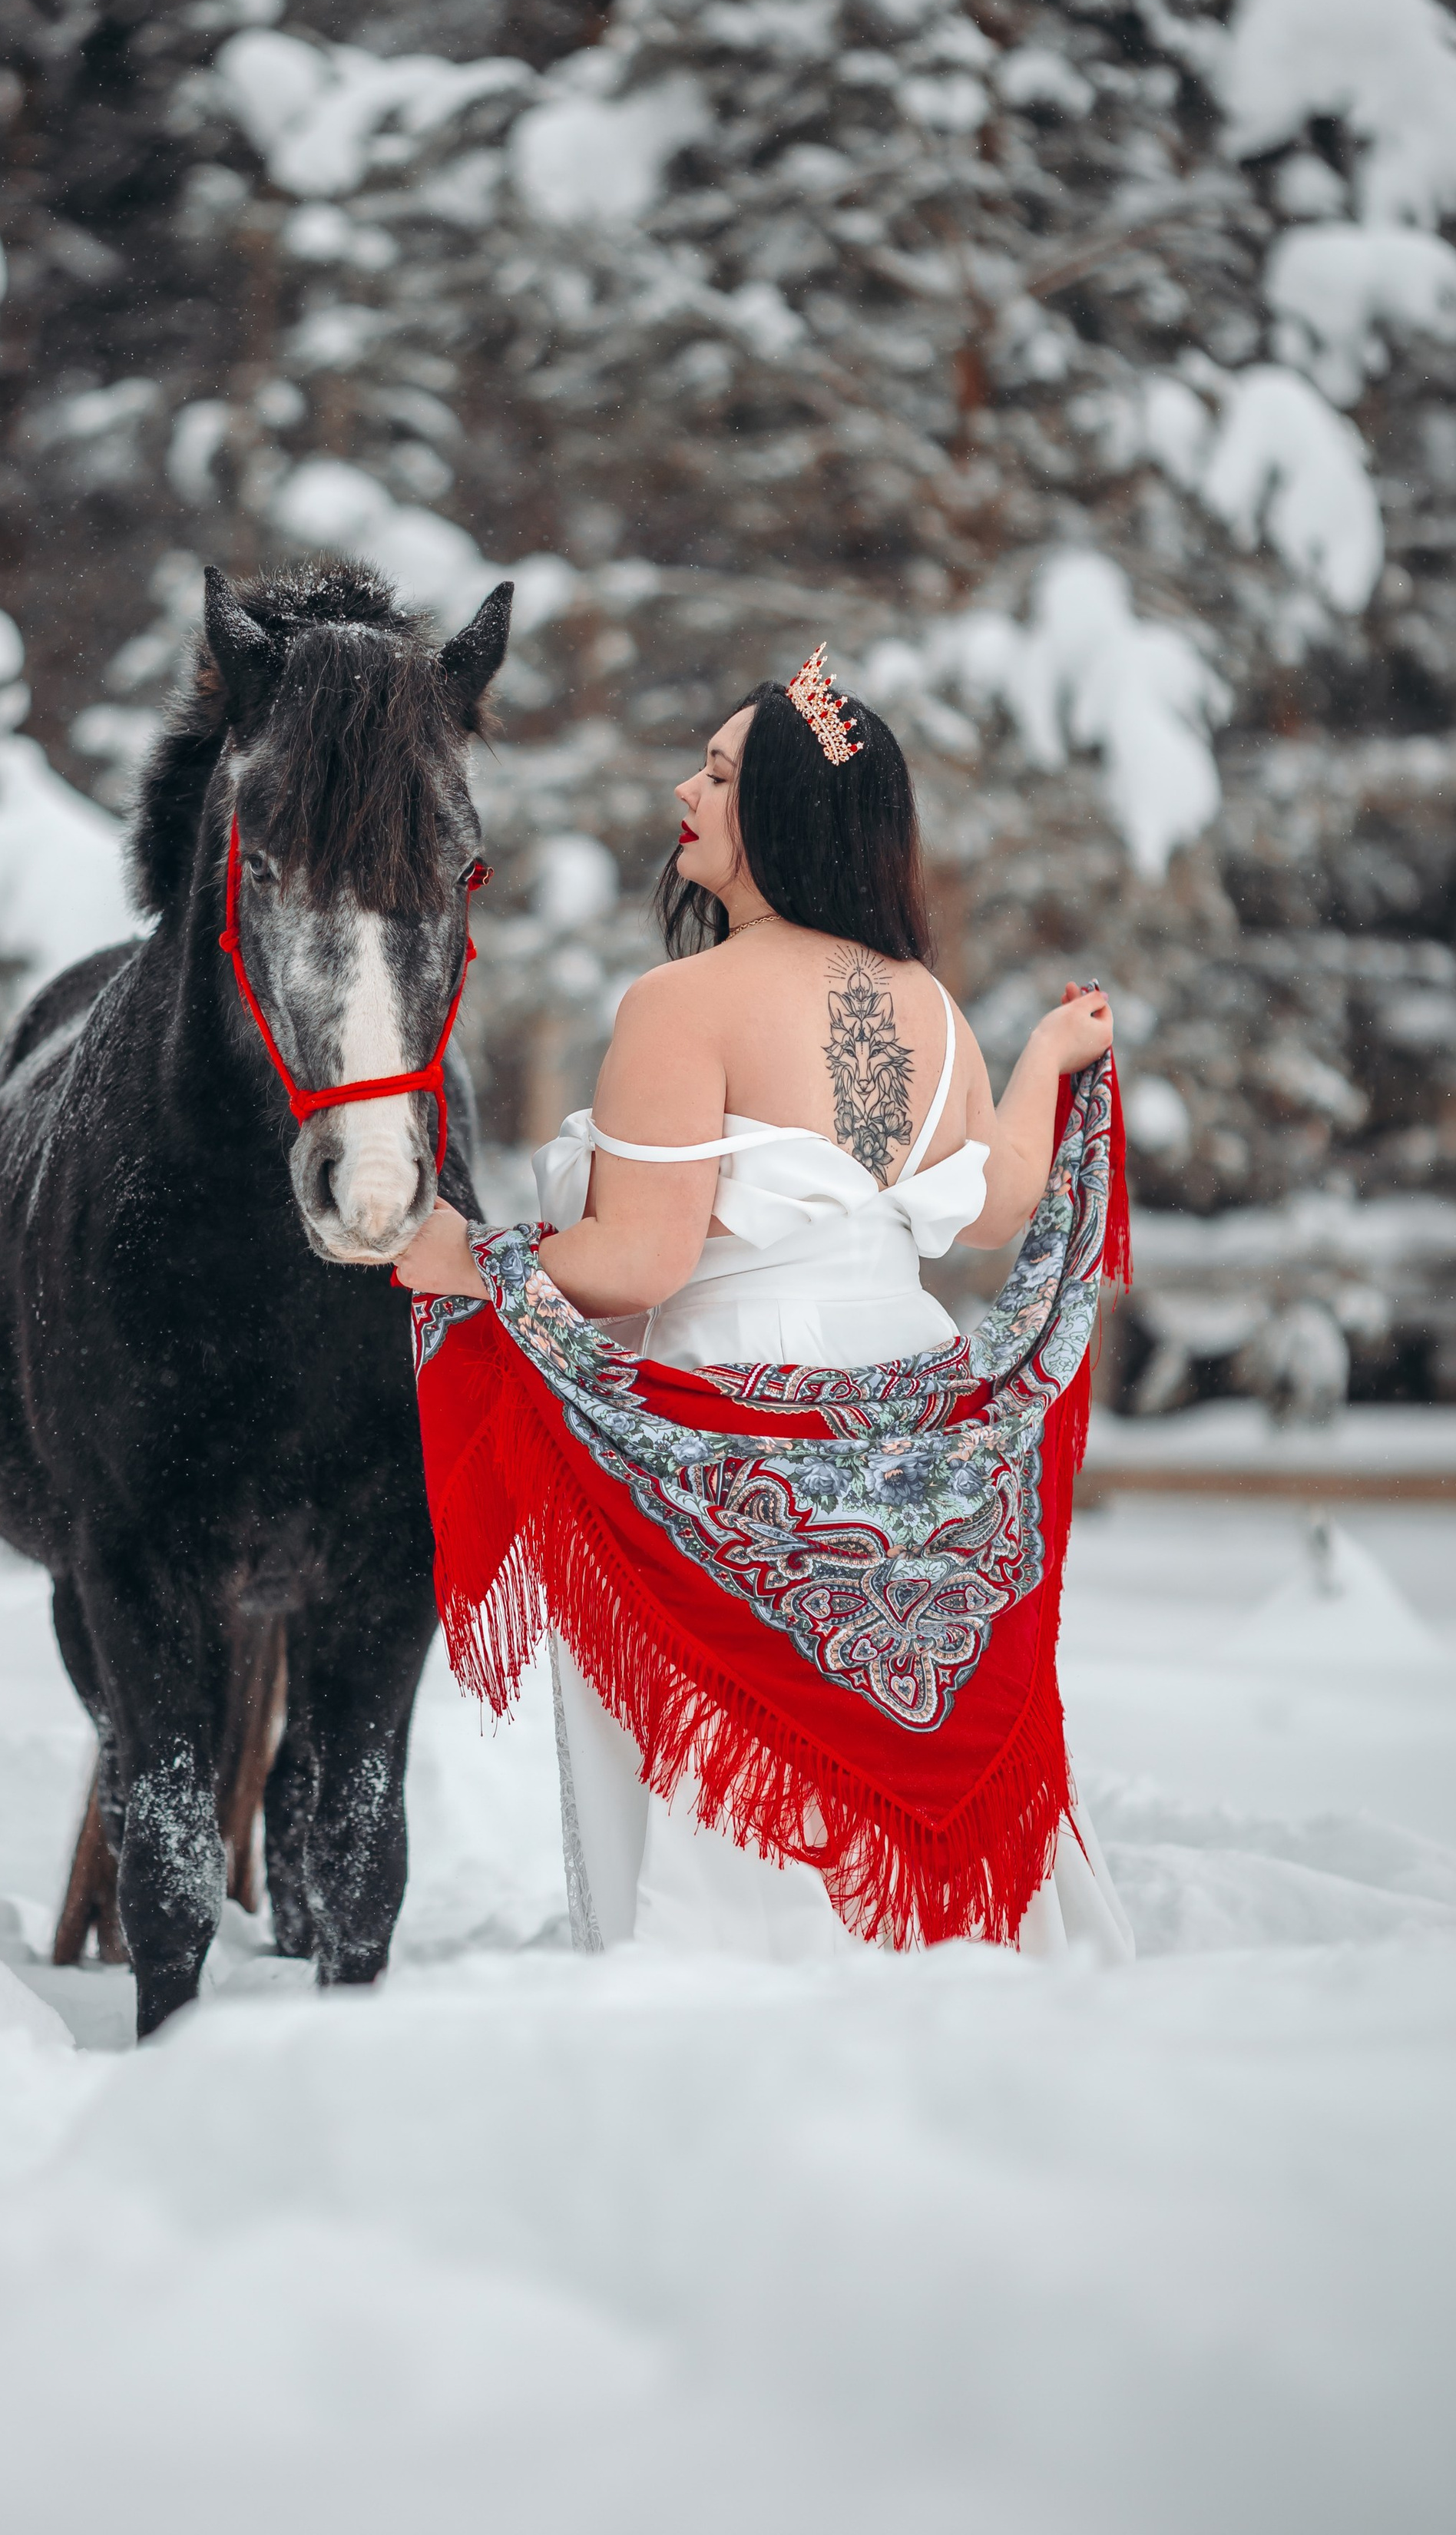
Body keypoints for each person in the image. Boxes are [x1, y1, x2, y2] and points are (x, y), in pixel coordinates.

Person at [396, 660, 1133, 1964]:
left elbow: (639, 1263)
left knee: (734, 1783)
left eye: (725, 775)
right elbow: (1006, 1199)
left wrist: (469, 1257)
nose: (686, 789)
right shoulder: (933, 1007)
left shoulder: (683, 1003)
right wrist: (1043, 1061)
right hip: (920, 1403)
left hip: (735, 1412)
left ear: (788, 815)